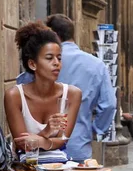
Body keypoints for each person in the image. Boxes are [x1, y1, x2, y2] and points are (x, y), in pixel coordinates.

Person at [18, 14, 117, 163]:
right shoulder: (96, 65)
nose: (56, 63)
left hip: (39, 154)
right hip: (78, 146)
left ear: (54, 34)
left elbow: (24, 90)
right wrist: (93, 130)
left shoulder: (38, 67)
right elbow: (109, 104)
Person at [5, 21, 82, 162]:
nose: (56, 63)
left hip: (58, 167)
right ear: (32, 64)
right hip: (25, 170)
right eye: (49, 58)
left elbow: (63, 140)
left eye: (59, 58)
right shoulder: (14, 96)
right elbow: (22, 145)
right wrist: (47, 132)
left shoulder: (72, 94)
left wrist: (39, 141)